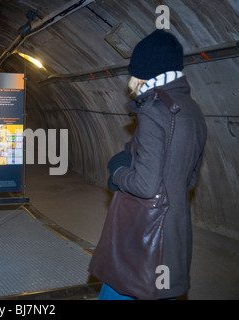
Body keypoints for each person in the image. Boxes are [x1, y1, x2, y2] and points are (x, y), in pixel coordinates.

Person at [100, 29, 207, 300]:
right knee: (161, 292)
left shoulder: (153, 110)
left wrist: (118, 169)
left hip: (144, 233)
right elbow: (188, 179)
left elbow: (145, 186)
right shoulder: (192, 109)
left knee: (117, 290)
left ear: (143, 70)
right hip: (173, 231)